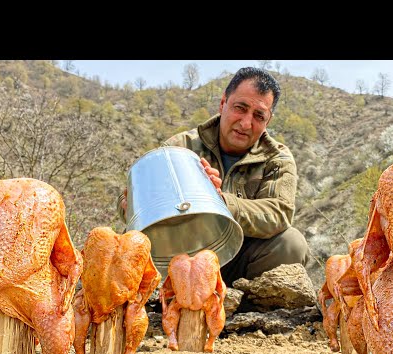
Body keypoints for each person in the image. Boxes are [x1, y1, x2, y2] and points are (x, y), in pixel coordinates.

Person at [117, 66, 309, 286]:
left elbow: (280, 213)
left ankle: (246, 312)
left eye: (258, 115)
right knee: (124, 242)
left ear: (268, 121)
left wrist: (220, 201)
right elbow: (132, 204)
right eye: (240, 108)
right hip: (181, 257)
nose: (246, 123)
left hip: (241, 264)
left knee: (291, 243)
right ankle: (152, 305)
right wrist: (131, 204)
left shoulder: (277, 158)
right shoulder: (180, 147)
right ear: (223, 103)